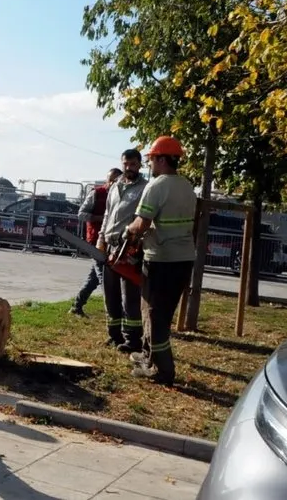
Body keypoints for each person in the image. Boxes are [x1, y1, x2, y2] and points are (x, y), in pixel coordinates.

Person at [126, 136, 197, 386]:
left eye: (153, 159)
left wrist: (127, 231)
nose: (150, 164)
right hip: (182, 258)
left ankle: (163, 370)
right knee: (153, 310)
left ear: (162, 159)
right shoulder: (187, 186)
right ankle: (148, 356)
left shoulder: (157, 185)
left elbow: (141, 222)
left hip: (163, 259)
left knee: (156, 315)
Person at [97, 151, 147, 350]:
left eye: (133, 164)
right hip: (110, 246)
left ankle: (132, 339)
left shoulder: (145, 188)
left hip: (129, 248)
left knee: (130, 298)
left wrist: (136, 244)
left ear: (140, 165)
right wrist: (101, 239)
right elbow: (108, 214)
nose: (129, 168)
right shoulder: (115, 187)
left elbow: (144, 218)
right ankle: (114, 335)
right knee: (111, 295)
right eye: (126, 164)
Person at [71, 168, 123, 316]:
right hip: (96, 241)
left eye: (116, 180)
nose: (112, 183)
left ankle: (77, 306)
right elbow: (81, 214)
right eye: (110, 180)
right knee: (104, 277)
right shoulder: (96, 193)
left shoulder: (122, 194)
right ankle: (113, 313)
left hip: (113, 241)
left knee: (93, 278)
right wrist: (101, 218)